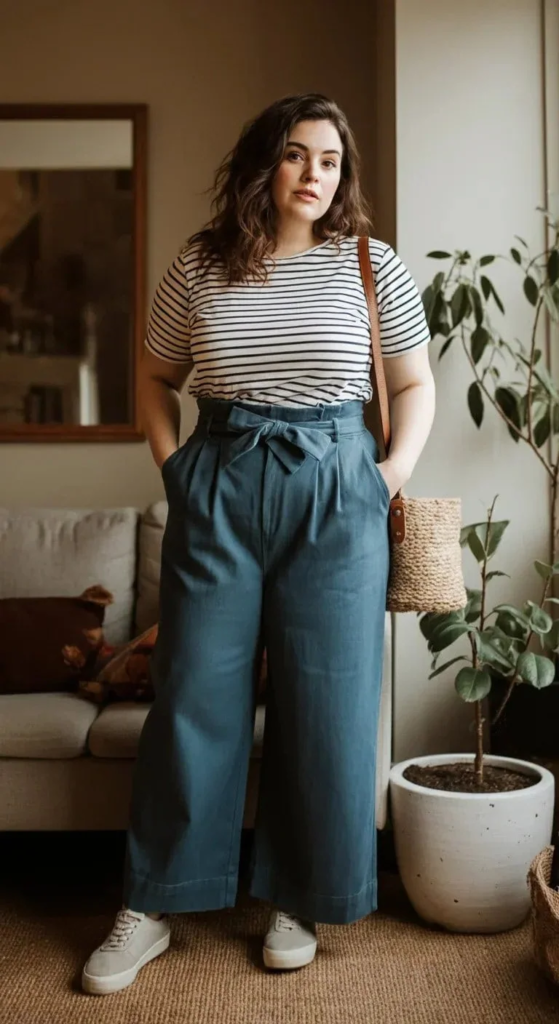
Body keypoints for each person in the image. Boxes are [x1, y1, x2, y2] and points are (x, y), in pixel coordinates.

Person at [81, 92, 435, 995]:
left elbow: (414, 383)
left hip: (337, 487)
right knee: (193, 692)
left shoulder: (369, 263)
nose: (314, 174)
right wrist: (177, 473)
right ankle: (154, 901)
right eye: (295, 155)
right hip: (220, 479)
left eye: (329, 160)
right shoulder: (201, 264)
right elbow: (155, 376)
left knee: (329, 702)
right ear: (261, 164)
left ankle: (299, 896)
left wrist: (381, 478)